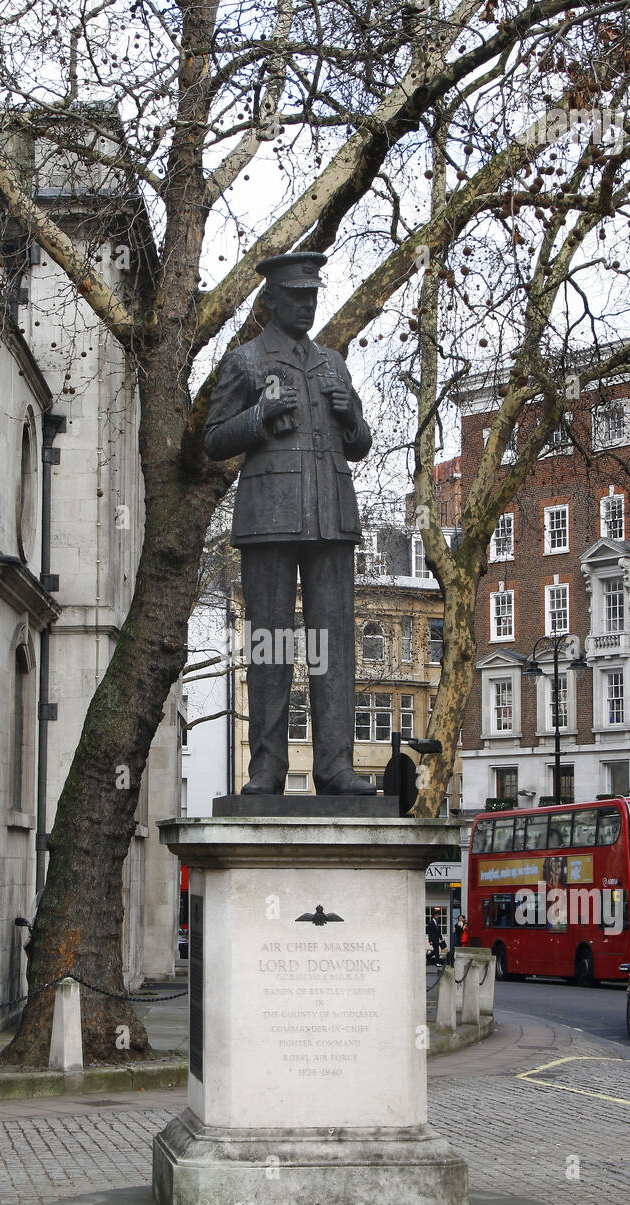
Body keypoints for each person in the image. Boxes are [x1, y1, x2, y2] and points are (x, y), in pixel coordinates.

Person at [204, 251, 375, 797]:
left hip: (331, 516)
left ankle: (334, 765)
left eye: (313, 297)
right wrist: (257, 418)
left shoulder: (333, 362)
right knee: (270, 644)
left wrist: (353, 417)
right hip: (269, 517)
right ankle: (267, 768)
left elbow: (361, 445)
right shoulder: (245, 361)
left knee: (336, 643)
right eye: (297, 298)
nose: (307, 306)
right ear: (272, 301)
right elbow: (213, 439)